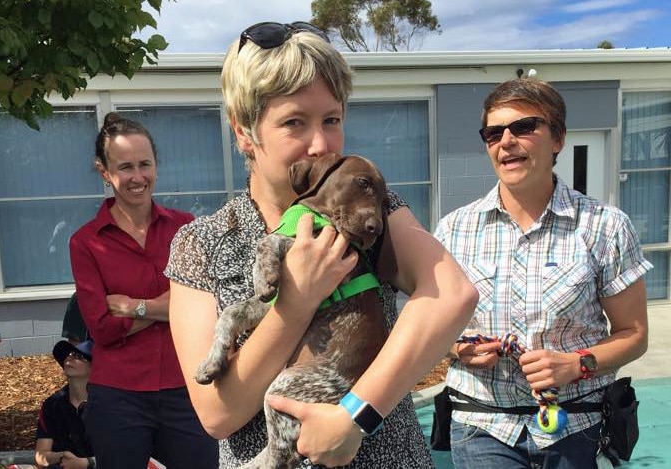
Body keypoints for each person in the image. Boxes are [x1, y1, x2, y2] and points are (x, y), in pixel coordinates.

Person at [165, 21, 478, 469]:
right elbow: (218, 413)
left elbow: (452, 295)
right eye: (294, 122)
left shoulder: (372, 206)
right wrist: (294, 304)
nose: (320, 144)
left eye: (331, 120)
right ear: (243, 131)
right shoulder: (202, 243)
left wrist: (356, 415)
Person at [434, 78, 653, 469]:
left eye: (524, 127)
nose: (506, 140)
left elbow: (633, 335)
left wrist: (577, 364)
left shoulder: (605, 226)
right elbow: (434, 328)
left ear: (558, 139)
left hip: (577, 427)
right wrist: (457, 349)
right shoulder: (454, 230)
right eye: (493, 132)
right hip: (483, 426)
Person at [69, 113, 218, 469]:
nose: (137, 177)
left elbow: (205, 308)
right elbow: (102, 328)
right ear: (104, 172)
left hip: (188, 389)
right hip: (119, 397)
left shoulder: (186, 228)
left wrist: (136, 307)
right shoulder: (86, 243)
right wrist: (169, 307)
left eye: (145, 164)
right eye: (125, 167)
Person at [34, 340, 94, 469]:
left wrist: (87, 463)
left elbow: (123, 454)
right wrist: (62, 456)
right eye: (69, 354)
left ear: (94, 367)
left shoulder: (107, 405)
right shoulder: (52, 405)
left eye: (79, 356)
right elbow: (40, 456)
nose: (69, 358)